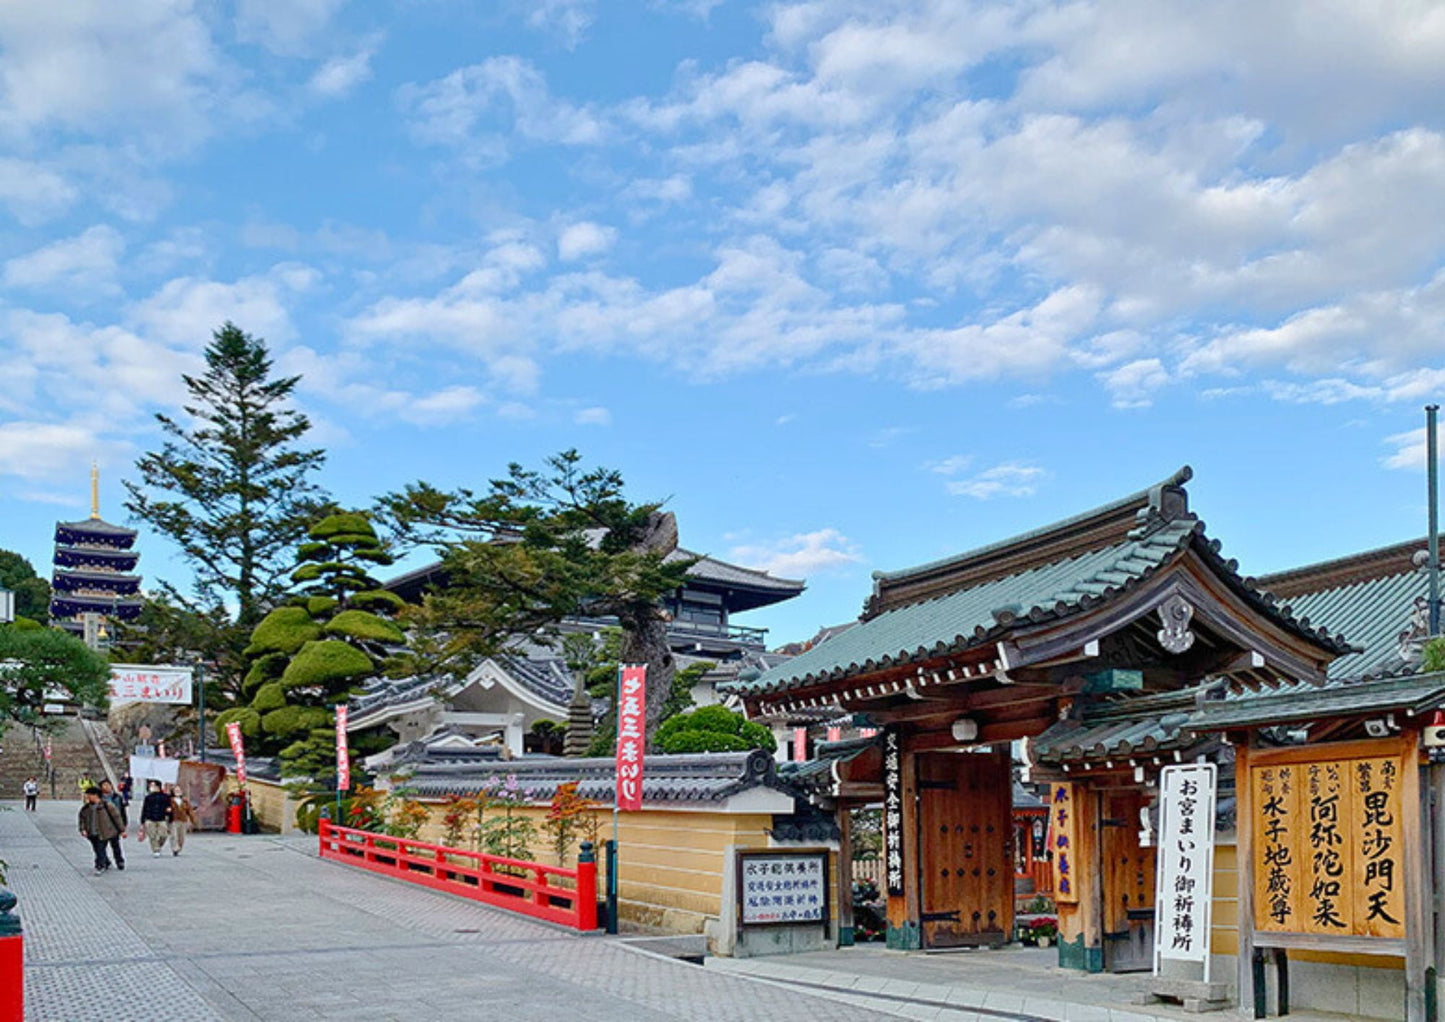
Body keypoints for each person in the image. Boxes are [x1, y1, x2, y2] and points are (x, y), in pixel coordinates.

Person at [78, 787, 124, 876]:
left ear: (95, 795)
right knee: (98, 849)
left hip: (106, 831)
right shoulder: (86, 808)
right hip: (92, 832)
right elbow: (82, 819)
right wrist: (82, 829)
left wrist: (122, 830)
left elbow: (117, 817)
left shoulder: (107, 806)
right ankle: (105, 862)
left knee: (107, 848)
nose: (87, 797)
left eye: (89, 795)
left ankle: (102, 865)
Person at [97, 779, 128, 870]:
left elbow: (122, 811)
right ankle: (104, 861)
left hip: (115, 824)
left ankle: (120, 861)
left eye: (108, 785)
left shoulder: (117, 797)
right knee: (102, 845)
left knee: (115, 844)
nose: (107, 787)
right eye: (104, 785)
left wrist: (124, 824)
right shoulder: (99, 798)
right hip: (103, 824)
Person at [140, 780, 172, 856]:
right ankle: (156, 849)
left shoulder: (165, 797)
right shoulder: (148, 797)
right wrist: (142, 820)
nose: (151, 787)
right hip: (150, 818)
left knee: (164, 835)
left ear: (158, 787)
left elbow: (169, 807)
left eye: (153, 786)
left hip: (161, 818)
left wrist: (169, 813)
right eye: (151, 786)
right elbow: (144, 808)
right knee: (152, 835)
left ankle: (159, 845)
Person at [168, 785, 197, 856]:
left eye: (179, 790)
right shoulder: (170, 801)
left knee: (181, 836)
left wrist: (193, 820)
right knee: (174, 835)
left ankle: (179, 847)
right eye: (176, 791)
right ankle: (174, 848)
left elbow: (190, 811)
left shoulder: (185, 801)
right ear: (173, 792)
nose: (178, 792)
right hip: (173, 820)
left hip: (183, 820)